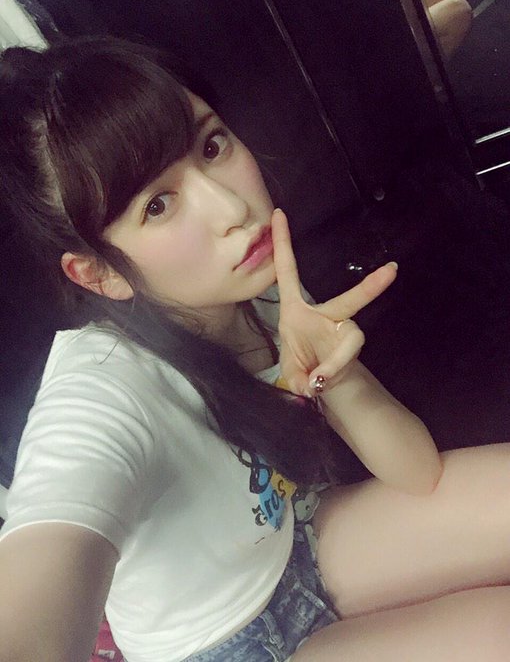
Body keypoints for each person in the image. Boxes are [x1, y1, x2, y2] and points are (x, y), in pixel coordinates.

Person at [0, 36, 509, 662]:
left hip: (301, 544)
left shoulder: (262, 288)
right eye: (157, 205)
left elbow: (416, 472)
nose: (232, 208)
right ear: (99, 273)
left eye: (212, 147)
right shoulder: (103, 393)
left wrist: (338, 376)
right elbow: (33, 603)